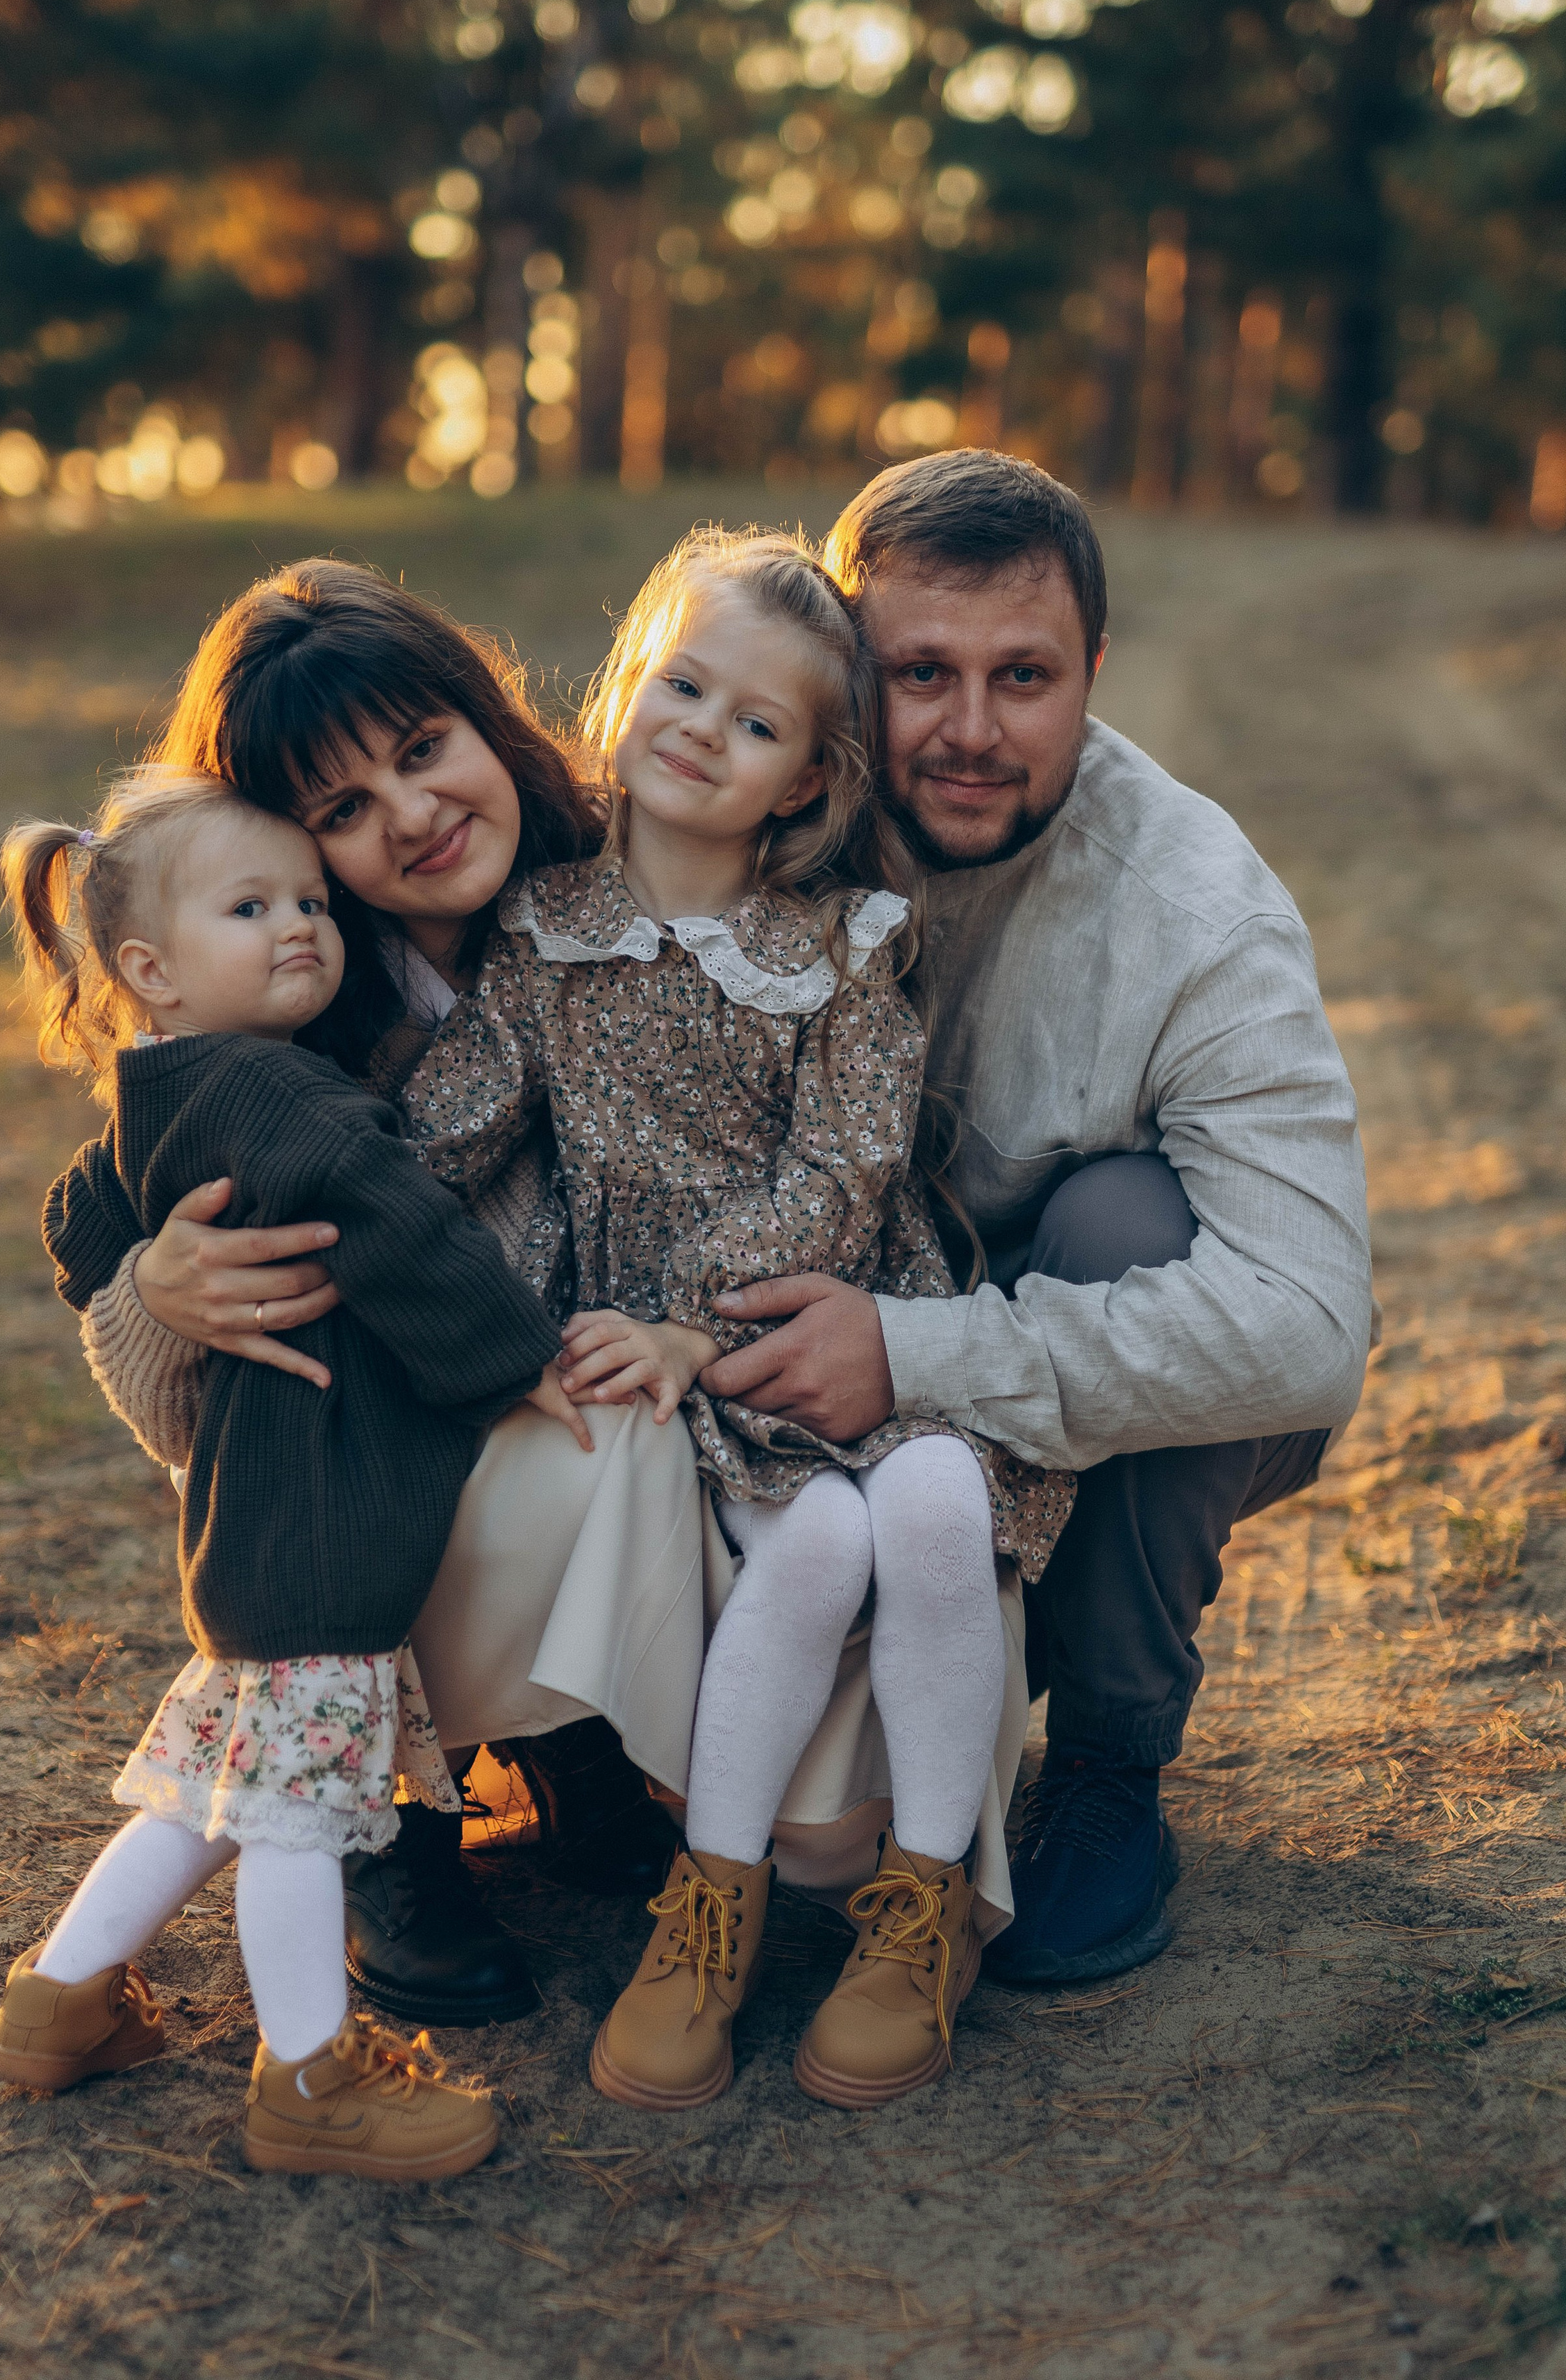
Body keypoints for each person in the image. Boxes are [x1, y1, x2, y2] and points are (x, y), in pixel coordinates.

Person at [406, 531, 1074, 2109]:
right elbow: (447, 1130)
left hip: (835, 1320)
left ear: (803, 781)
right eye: (683, 684)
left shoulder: (839, 948)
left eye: (756, 722)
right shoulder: (535, 936)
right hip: (660, 1371)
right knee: (823, 1547)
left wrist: (697, 1317)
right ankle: (711, 1900)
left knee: (920, 1505)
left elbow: (844, 1170)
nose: (703, 728)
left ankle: (920, 1906)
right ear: (630, 683)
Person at [699, 451, 1375, 1987]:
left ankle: (1107, 1759)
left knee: (1134, 1220)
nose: (968, 731)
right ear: (838, 670)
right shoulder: (727, 805)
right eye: (916, 673)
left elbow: (1306, 1329)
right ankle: (614, 1750)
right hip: (780, 1338)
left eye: (1024, 676)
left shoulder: (1195, 910)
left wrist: (915, 1354)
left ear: (1092, 673)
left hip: (1029, 1340)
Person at [67, 564, 702, 2033]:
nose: (407, 817)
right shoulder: (278, 1018)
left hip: (635, 1367)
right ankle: (389, 1832)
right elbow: (108, 1259)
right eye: (341, 812)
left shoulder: (624, 889)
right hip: (380, 1468)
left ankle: (573, 1736)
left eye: (422, 752)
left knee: (618, 1431)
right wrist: (159, 1290)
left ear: (488, 722)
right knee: (362, 1496)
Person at [0, 768, 576, 2179]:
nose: (302, 926)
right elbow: (406, 1231)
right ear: (150, 973)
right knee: (300, 1819)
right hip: (318, 1528)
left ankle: (58, 2001)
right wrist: (515, 1357)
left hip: (251, 1524)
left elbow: (80, 1217)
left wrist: (122, 1260)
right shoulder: (284, 1099)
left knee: (209, 1794)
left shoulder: (168, 1094)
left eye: (309, 901)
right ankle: (308, 2076)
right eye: (250, 908)